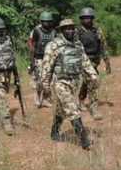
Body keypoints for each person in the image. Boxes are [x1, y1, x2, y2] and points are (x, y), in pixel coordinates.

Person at [41, 19, 97, 150]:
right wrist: (45, 84)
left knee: (62, 109)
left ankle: (54, 132)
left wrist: (93, 76)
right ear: (61, 30)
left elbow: (85, 61)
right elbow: (46, 65)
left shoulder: (78, 45)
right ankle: (84, 140)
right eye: (66, 28)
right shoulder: (54, 45)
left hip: (75, 82)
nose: (69, 30)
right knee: (72, 109)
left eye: (71, 28)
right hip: (60, 82)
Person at [76, 7, 111, 120]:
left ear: (92, 19)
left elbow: (103, 46)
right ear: (81, 19)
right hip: (82, 61)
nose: (87, 20)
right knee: (90, 82)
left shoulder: (97, 30)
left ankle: (86, 103)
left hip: (94, 61)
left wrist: (107, 62)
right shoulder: (77, 32)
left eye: (89, 18)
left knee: (89, 82)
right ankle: (88, 104)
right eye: (85, 18)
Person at [28, 11, 56, 107]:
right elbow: (32, 46)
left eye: (48, 21)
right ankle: (37, 97)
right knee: (39, 79)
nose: (46, 23)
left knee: (49, 80)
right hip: (38, 58)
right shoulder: (36, 31)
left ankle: (45, 99)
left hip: (50, 59)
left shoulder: (53, 32)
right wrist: (32, 61)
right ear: (41, 21)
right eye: (44, 21)